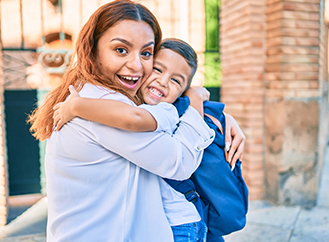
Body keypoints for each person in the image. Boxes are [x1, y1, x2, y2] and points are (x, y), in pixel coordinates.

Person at [28, 1, 216, 242]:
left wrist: (221, 117)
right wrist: (195, 100)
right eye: (121, 50)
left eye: (146, 53)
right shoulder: (102, 106)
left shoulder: (92, 97)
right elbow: (179, 161)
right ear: (92, 50)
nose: (136, 65)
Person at [53, 38, 246, 242]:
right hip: (178, 221)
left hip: (177, 225)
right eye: (158, 70)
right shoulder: (157, 108)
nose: (163, 81)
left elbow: (133, 119)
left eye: (176, 81)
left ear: (182, 92)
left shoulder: (164, 111)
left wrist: (76, 106)